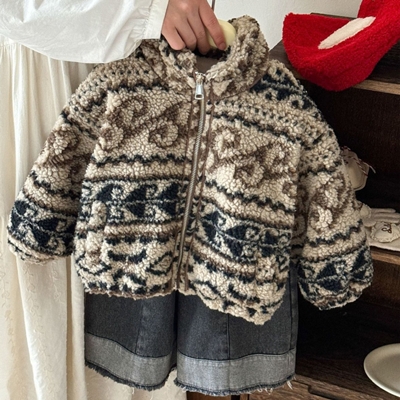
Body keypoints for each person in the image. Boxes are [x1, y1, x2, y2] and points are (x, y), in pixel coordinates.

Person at [0, 1, 223, 399]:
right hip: (45, 68)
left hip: (148, 69)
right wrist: (146, 9)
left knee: (136, 284)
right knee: (48, 292)